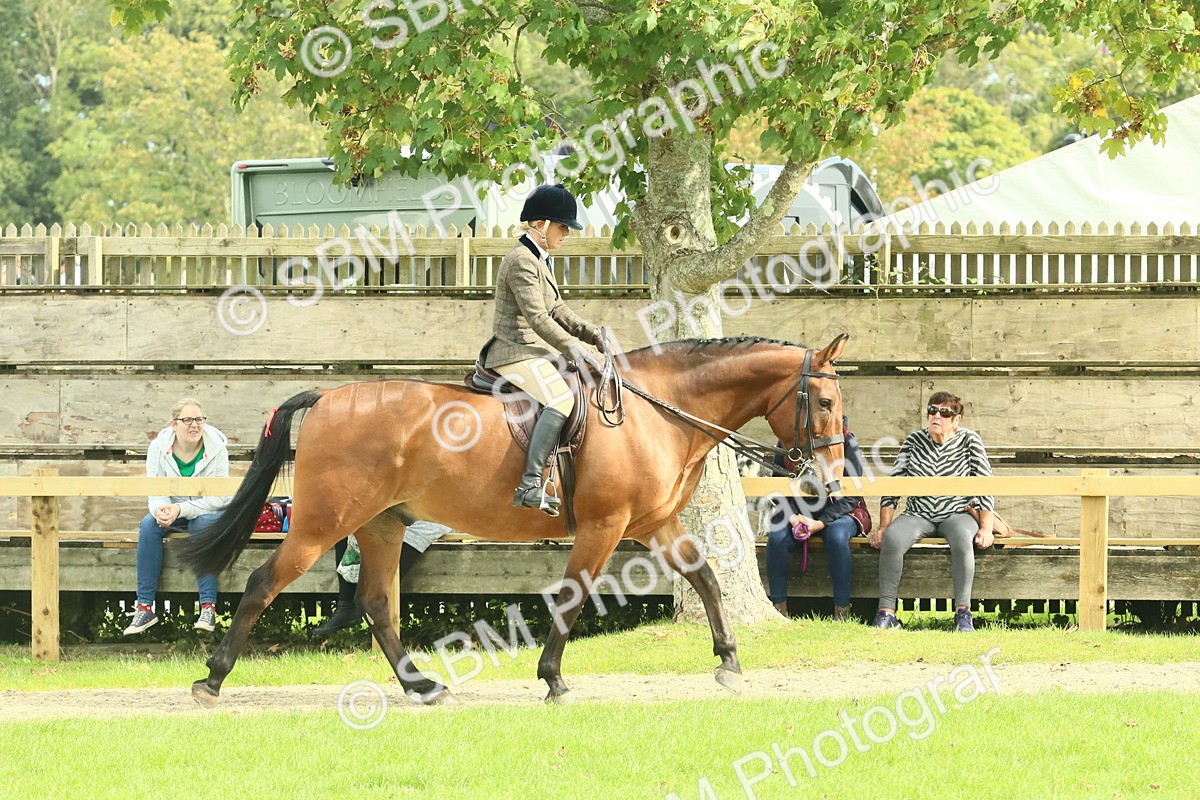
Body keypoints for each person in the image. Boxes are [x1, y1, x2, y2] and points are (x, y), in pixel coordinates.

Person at [481, 183, 605, 515]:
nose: (567, 233)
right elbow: (537, 318)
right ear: (541, 225)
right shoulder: (521, 259)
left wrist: (593, 335)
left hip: (532, 351)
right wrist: (575, 348)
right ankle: (529, 485)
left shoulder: (539, 258)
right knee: (561, 399)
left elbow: (558, 309)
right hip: (513, 350)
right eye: (563, 226)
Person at [870, 391, 994, 632]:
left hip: (957, 511)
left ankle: (963, 613)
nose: (937, 416)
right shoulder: (913, 440)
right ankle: (886, 613)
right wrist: (884, 527)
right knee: (893, 539)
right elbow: (893, 484)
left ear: (956, 419)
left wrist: (986, 528)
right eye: (932, 410)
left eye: (945, 412)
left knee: (961, 538)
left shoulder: (970, 440)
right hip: (919, 512)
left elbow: (985, 482)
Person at [124, 398, 232, 635]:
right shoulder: (157, 448)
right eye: (187, 420)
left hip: (207, 512)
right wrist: (161, 511)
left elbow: (219, 499)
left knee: (202, 523)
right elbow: (155, 494)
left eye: (199, 419)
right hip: (173, 511)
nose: (194, 425)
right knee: (149, 524)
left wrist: (180, 510)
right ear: (174, 424)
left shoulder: (217, 449)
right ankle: (144, 608)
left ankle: (208, 607)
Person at [766, 417, 868, 621]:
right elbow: (776, 488)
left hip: (841, 511)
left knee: (837, 537)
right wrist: (793, 518)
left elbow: (852, 494)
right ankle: (778, 610)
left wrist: (821, 522)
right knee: (776, 537)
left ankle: (842, 610)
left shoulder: (847, 441)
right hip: (797, 513)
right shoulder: (786, 443)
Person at [311, 521, 451, 637]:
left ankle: (365, 608)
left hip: (430, 515)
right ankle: (347, 605)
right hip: (397, 511)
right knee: (346, 522)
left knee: (375, 596)